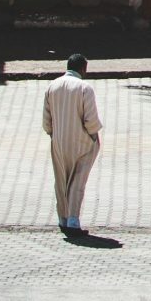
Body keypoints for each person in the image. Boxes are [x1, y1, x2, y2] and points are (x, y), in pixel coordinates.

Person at [41, 55, 102, 236]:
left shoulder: (52, 86)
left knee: (61, 180)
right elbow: (90, 121)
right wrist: (93, 136)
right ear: (83, 69)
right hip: (81, 142)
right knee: (77, 181)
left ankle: (63, 219)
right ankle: (73, 221)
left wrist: (54, 134)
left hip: (58, 141)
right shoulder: (85, 88)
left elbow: (46, 121)